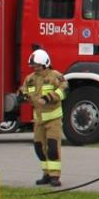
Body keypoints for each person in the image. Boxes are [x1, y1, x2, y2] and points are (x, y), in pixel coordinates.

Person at [19, 49, 66, 187]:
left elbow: (64, 90)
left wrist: (48, 97)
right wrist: (22, 97)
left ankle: (55, 176)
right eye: (33, 66)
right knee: (39, 148)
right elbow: (24, 91)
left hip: (53, 119)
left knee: (52, 148)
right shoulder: (30, 79)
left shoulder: (55, 76)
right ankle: (46, 173)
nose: (35, 68)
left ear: (45, 64)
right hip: (38, 120)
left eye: (37, 66)